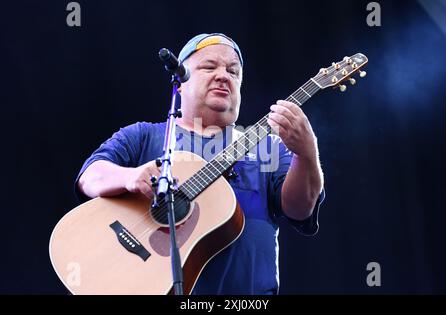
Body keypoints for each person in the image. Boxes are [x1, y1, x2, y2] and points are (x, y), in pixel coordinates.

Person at [75, 33, 325, 294]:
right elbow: (90, 177)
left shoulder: (270, 147)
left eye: (233, 71)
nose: (223, 75)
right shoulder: (144, 135)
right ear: (180, 82)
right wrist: (130, 177)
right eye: (209, 66)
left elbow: (300, 209)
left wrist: (306, 153)